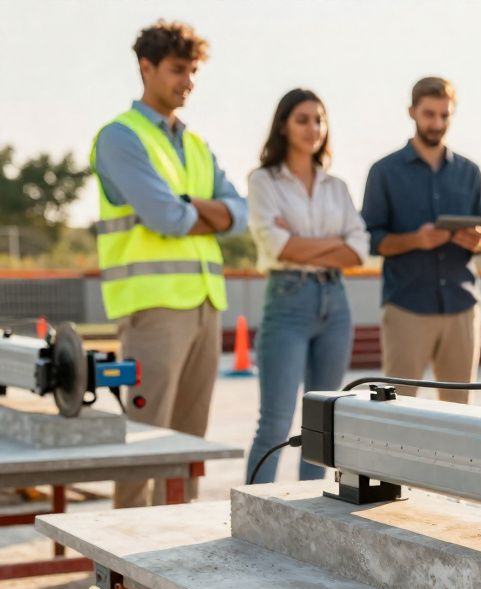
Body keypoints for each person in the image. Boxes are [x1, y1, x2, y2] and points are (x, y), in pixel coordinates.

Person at [91, 20, 247, 508]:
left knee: (188, 445)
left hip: (205, 304)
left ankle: (176, 546)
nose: (189, 82)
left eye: (193, 71)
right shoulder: (120, 137)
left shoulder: (197, 145)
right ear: (147, 67)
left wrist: (190, 208)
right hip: (153, 308)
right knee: (143, 441)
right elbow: (166, 218)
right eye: (179, 69)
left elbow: (241, 216)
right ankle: (125, 551)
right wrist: (204, 214)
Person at [245, 89, 368, 483]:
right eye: (303, 119)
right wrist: (333, 243)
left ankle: (310, 512)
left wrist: (301, 243)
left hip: (336, 302)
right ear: (283, 125)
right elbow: (277, 246)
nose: (313, 128)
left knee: (322, 424)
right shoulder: (263, 181)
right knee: (275, 423)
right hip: (288, 301)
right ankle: (252, 511)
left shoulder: (337, 186)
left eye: (319, 119)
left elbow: (358, 250)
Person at [361, 77, 481, 403]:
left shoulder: (470, 172)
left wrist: (479, 241)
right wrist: (416, 240)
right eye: (429, 114)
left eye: (444, 115)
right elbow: (372, 240)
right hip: (407, 307)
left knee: (459, 413)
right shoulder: (384, 172)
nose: (437, 123)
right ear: (412, 112)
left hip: (462, 307)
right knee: (399, 410)